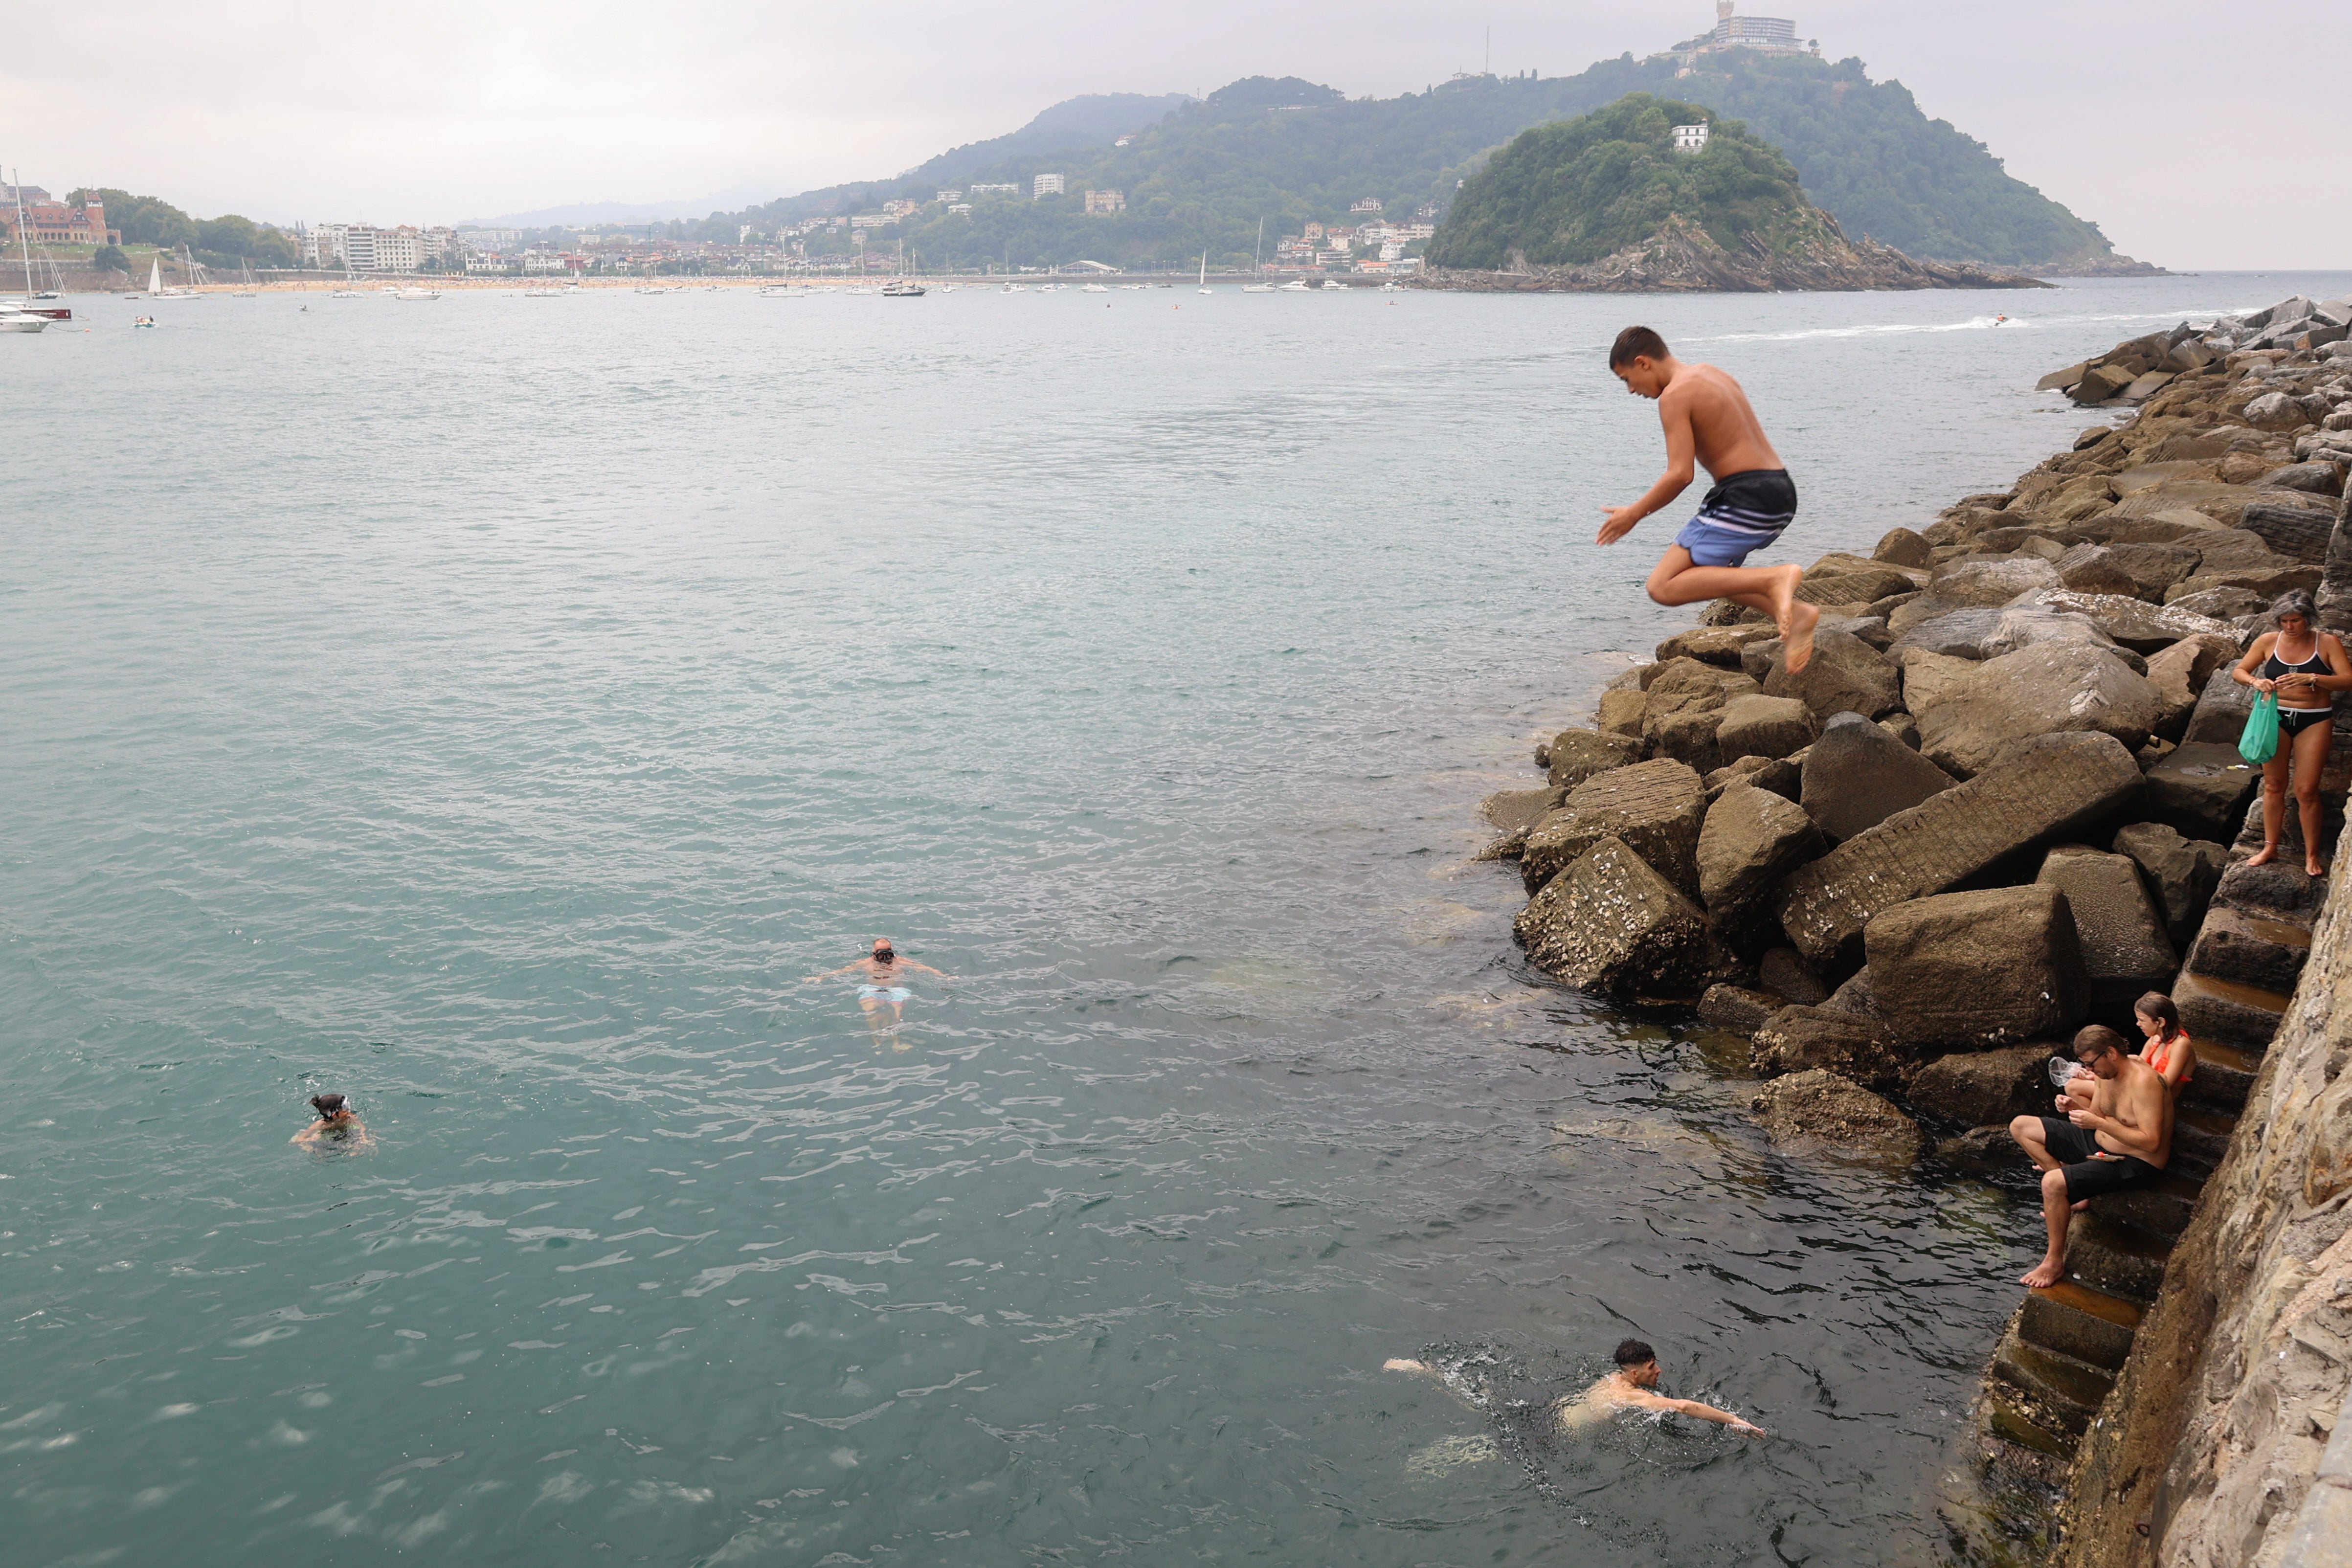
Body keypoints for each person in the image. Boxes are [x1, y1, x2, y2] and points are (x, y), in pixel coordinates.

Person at [1598, 326, 1817, 674]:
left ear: (1642, 363)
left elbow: (1680, 474)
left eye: (1627, 379)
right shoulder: (1712, 374)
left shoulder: (1674, 395)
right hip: (1780, 492)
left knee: (1663, 587)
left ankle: (1774, 578)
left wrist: (1633, 514)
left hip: (1745, 496)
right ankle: (1798, 613)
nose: (1630, 390)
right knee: (1714, 577)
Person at [2008, 1026, 2173, 1289]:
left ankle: (2054, 1261)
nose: (2088, 1070)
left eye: (2090, 1063)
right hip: (2101, 1142)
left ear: (2111, 1053)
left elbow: (2151, 1142)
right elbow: (2097, 1113)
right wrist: (2073, 1107)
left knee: (2051, 1183)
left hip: (2136, 1162)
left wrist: (2098, 1122)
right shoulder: (2104, 1073)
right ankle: (2075, 1194)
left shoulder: (2145, 1082)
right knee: (2021, 1126)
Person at [1386, 1338, 1764, 1437]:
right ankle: (1423, 1374)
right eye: (1652, 1368)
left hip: (1553, 1407)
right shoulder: (1628, 1394)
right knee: (1481, 1421)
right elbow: (1682, 1408)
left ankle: (1424, 1370)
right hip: (1551, 1430)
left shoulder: (1612, 1380)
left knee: (1485, 1401)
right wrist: (1733, 1420)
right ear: (1634, 1373)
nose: (1659, 1371)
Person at [2230, 590, 2350, 878]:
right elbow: (2240, 670)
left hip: (2315, 719)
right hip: (2276, 717)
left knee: (2307, 790)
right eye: (2283, 621)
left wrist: (2312, 678)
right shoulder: (2268, 641)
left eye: (2295, 621)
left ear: (2308, 618)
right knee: (2273, 785)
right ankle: (2270, 847)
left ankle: (2311, 855)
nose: (2289, 627)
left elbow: (2348, 680)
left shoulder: (2327, 642)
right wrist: (2256, 682)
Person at [2061, 992, 2194, 1107]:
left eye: (2142, 1021)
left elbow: (2165, 1083)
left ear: (2160, 1022)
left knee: (2074, 1087)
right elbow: (2135, 1069)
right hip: (2140, 1090)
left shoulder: (2181, 1045)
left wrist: (2135, 1061)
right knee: (2075, 1084)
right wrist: (2097, 1075)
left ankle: (2099, 1124)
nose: (2138, 1024)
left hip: (2155, 1100)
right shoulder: (2155, 1038)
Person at [803, 938, 952, 1037]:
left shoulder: (899, 961)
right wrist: (819, 977)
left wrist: (945, 977)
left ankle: (895, 1036)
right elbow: (843, 971)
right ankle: (876, 1035)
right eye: (882, 956)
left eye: (889, 954)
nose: (886, 959)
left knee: (897, 1012)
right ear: (874, 954)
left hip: (896, 990)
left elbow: (924, 967)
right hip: (872, 989)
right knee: (870, 1011)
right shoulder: (866, 963)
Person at [291, 1092, 374, 1152]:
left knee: (363, 1144)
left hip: (343, 1134)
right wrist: (311, 1139)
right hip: (326, 1138)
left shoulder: (349, 1117)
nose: (348, 1111)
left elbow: (362, 1128)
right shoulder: (321, 1124)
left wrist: (363, 1136)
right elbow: (300, 1140)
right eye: (345, 1109)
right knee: (316, 1150)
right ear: (334, 1114)